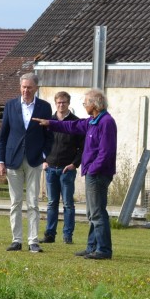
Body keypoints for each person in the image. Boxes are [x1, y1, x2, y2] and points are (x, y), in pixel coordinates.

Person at [34, 88, 116, 260]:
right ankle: (92, 246)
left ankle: (104, 250)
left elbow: (105, 152)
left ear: (95, 104)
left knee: (97, 212)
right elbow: (71, 126)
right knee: (92, 212)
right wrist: (50, 123)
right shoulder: (92, 121)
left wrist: (92, 169)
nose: (84, 105)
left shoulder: (106, 122)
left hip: (98, 174)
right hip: (92, 173)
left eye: (86, 102)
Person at [0, 73, 53, 252]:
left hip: (34, 160)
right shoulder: (10, 106)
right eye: (23, 87)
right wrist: (0, 161)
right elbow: (3, 136)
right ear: (20, 88)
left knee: (33, 202)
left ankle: (33, 241)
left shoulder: (44, 107)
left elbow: (48, 136)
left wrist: (45, 156)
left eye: (29, 87)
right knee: (15, 202)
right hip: (13, 159)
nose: (26, 90)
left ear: (36, 88)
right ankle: (17, 240)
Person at [42, 91, 82, 244]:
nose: (61, 105)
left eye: (64, 102)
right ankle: (50, 235)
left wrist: (74, 164)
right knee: (52, 203)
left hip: (67, 169)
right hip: (50, 168)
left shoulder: (75, 123)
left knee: (68, 204)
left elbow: (82, 147)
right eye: (59, 102)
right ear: (55, 103)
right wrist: (43, 160)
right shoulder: (48, 122)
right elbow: (42, 142)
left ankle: (67, 236)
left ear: (68, 103)